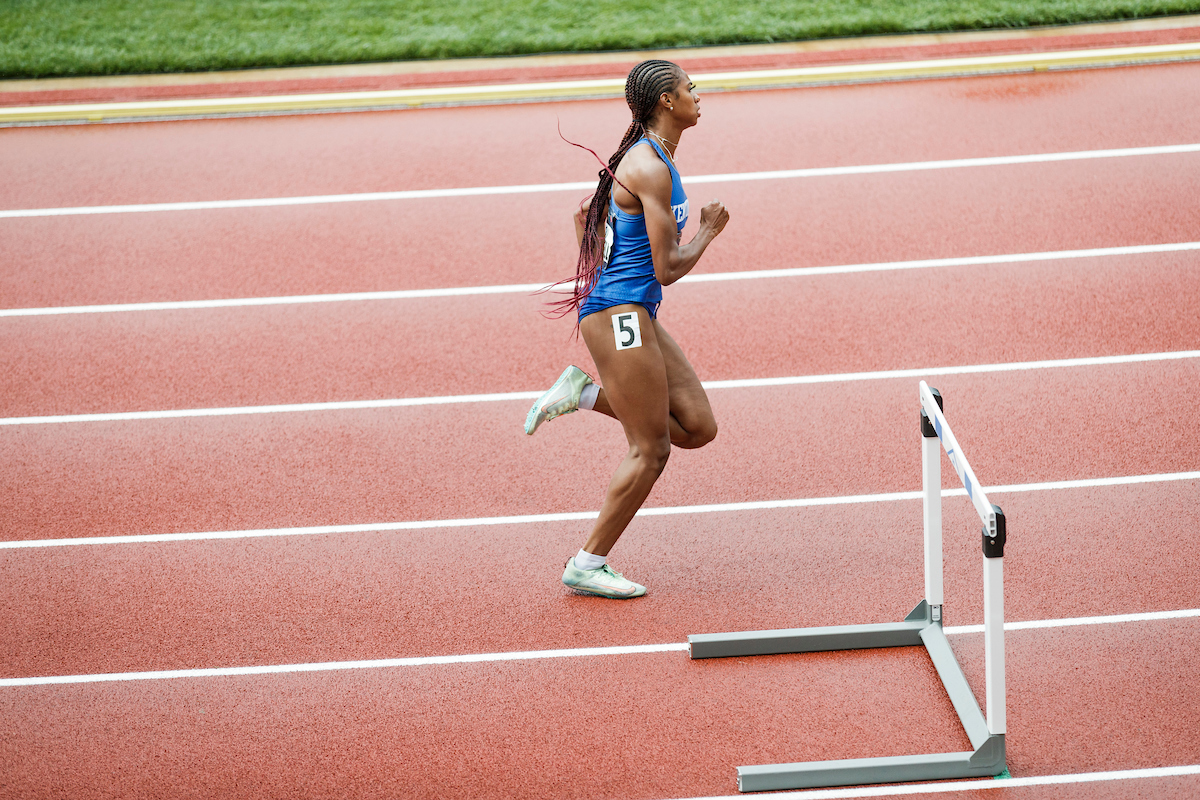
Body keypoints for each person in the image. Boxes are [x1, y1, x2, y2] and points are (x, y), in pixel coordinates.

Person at [524, 59, 730, 599]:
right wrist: (708, 231)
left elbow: (583, 217)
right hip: (622, 314)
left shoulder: (650, 156)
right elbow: (667, 267)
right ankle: (586, 563)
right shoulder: (650, 165)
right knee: (652, 448)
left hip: (632, 311)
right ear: (666, 100)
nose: (698, 95)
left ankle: (584, 392)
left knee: (697, 428)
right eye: (691, 87)